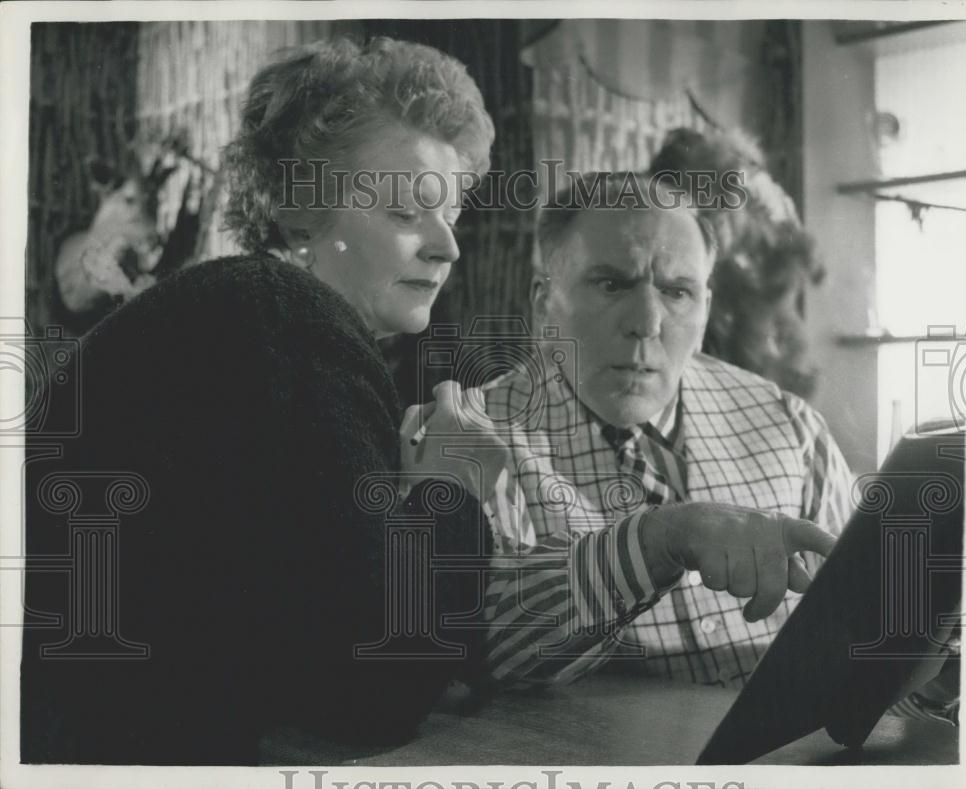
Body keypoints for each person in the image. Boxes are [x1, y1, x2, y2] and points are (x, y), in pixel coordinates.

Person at [21, 37, 498, 765]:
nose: (447, 247)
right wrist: (453, 483)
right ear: (300, 211)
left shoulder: (241, 318)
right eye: (406, 210)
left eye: (452, 213)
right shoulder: (286, 323)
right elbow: (383, 687)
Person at [478, 172, 854, 688]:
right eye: (612, 284)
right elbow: (482, 652)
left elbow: (868, 625)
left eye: (678, 292)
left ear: (705, 312)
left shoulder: (790, 426)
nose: (647, 321)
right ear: (544, 304)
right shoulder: (477, 437)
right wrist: (658, 543)